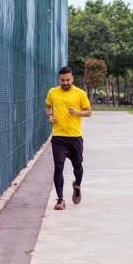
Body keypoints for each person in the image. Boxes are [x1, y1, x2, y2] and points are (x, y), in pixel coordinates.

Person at [45, 66, 92, 210]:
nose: (65, 83)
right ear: (59, 79)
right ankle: (60, 199)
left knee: (78, 166)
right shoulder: (53, 92)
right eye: (62, 80)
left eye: (67, 80)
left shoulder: (80, 94)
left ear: (72, 79)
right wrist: (50, 116)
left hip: (75, 137)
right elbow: (47, 106)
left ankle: (77, 186)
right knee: (58, 167)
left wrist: (77, 112)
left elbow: (89, 112)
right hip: (58, 136)